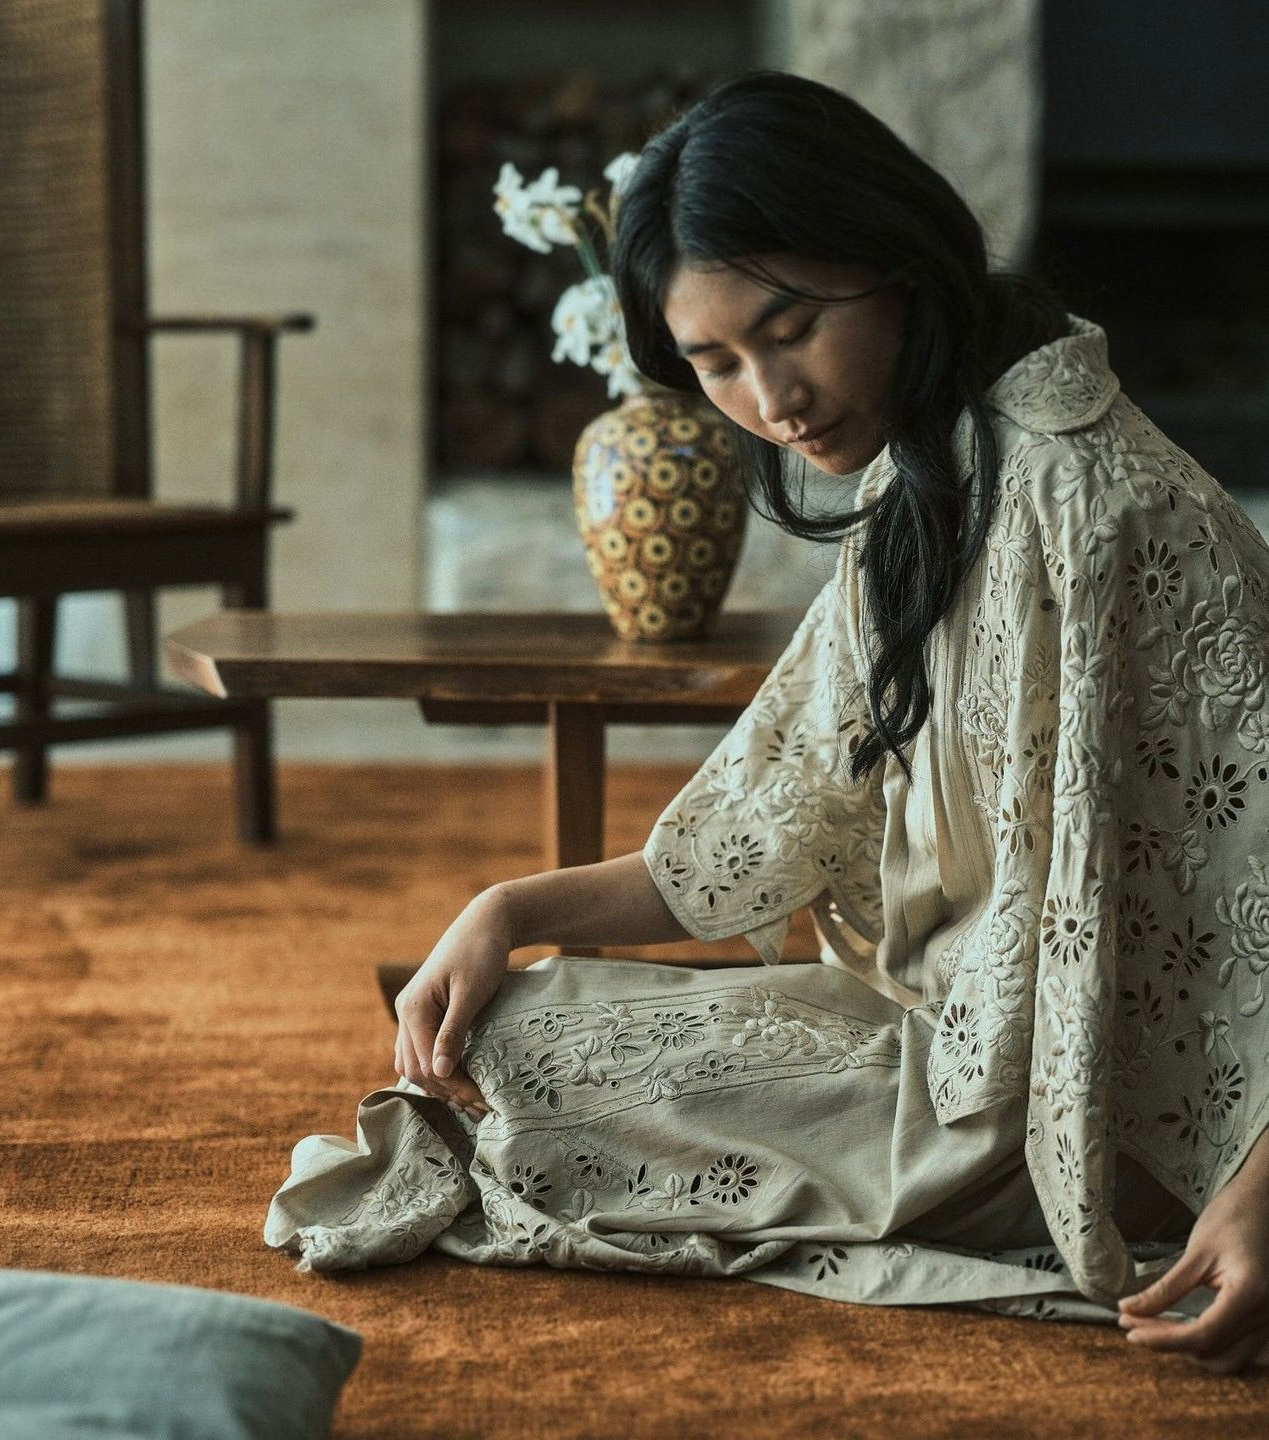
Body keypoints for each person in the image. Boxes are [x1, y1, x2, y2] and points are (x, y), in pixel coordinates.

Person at [266, 72, 1269, 1373]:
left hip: (1088, 1124)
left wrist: (1259, 1186)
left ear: (900, 264)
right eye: (717, 362)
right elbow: (771, 822)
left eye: (790, 327)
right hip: (937, 1060)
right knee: (512, 1038)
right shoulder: (934, 468)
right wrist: (507, 909)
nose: (772, 400)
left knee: (516, 1106)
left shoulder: (1108, 504)